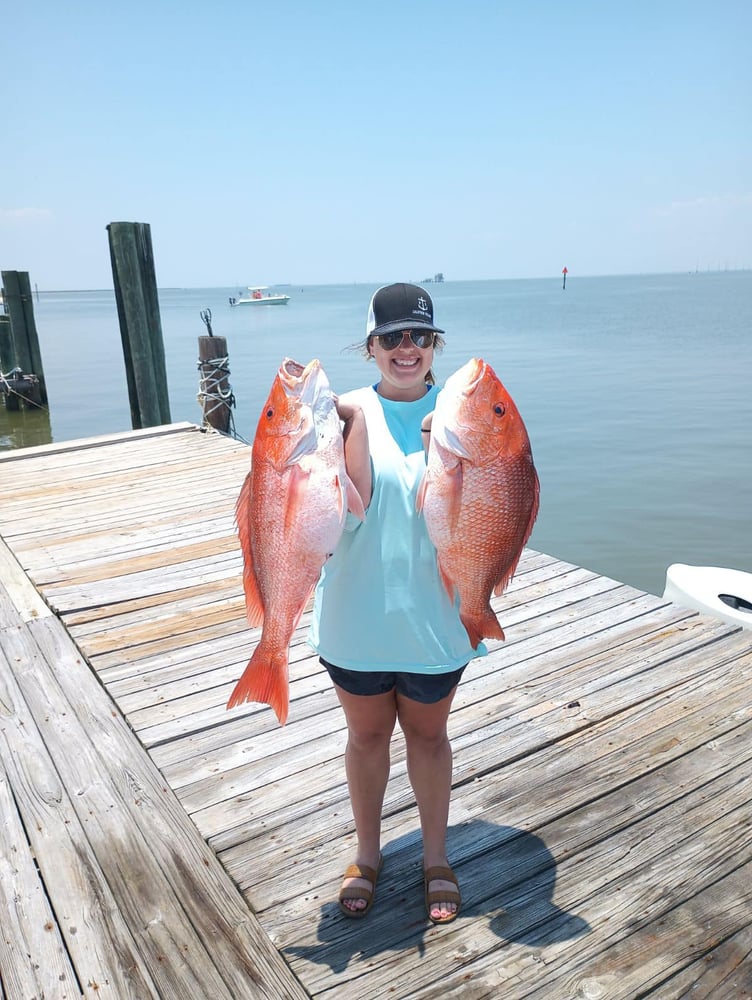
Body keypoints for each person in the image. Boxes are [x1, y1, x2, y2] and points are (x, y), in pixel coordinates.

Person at [308, 282, 487, 924]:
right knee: (365, 736)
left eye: (419, 336)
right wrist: (345, 430)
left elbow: (499, 496)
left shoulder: (469, 410)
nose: (406, 349)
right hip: (356, 618)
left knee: (430, 737)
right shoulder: (341, 410)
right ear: (372, 347)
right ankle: (367, 853)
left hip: (437, 620)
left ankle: (436, 856)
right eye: (392, 338)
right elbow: (332, 515)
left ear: (435, 344)